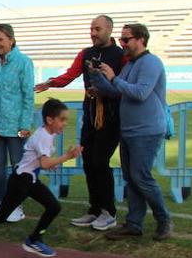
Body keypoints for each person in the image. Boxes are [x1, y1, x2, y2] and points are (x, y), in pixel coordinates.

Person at [36, 14, 125, 231]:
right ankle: (94, 209)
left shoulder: (121, 56)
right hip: (90, 116)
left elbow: (124, 85)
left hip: (112, 119)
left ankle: (108, 212)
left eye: (97, 29)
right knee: (87, 161)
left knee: (100, 162)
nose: (93, 33)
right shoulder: (86, 53)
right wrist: (50, 83)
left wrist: (105, 89)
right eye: (91, 29)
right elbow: (70, 75)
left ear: (109, 30)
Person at [0, 99, 82, 258]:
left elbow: (40, 160)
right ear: (49, 120)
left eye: (66, 120)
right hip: (21, 181)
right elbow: (45, 162)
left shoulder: (49, 134)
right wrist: (67, 156)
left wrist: (50, 163)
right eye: (62, 119)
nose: (65, 123)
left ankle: (34, 239)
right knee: (1, 216)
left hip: (29, 180)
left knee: (54, 207)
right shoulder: (43, 136)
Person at [89, 23, 172, 241]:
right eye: (122, 39)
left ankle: (164, 219)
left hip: (147, 130)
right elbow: (118, 92)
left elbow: (141, 93)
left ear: (141, 39)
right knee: (132, 178)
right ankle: (134, 223)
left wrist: (114, 78)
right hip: (130, 130)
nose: (123, 43)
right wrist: (98, 78)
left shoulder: (151, 62)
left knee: (141, 177)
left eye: (126, 39)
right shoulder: (131, 65)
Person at [0, 23, 35, 219]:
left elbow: (27, 96)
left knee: (17, 165)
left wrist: (24, 125)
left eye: (0, 40)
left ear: (11, 41)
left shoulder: (23, 62)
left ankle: (16, 205)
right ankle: (1, 202)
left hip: (15, 125)